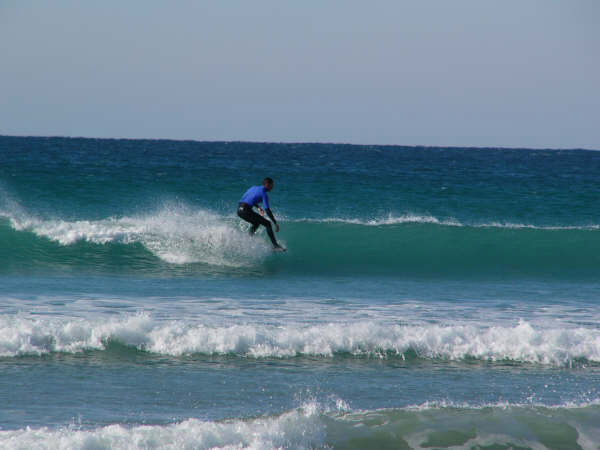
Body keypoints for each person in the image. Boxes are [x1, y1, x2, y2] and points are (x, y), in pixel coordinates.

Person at [237, 177, 284, 250]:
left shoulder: (253, 187)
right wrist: (275, 223)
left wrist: (258, 207)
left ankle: (248, 239)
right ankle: (275, 246)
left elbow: (248, 198)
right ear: (267, 185)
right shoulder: (264, 194)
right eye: (272, 185)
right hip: (246, 211)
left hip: (239, 211)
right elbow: (267, 210)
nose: (272, 187)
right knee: (268, 224)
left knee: (256, 223)